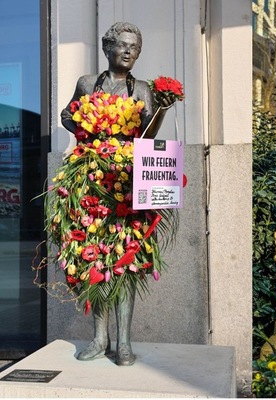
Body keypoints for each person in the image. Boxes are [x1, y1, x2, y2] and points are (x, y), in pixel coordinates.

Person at [54, 22, 172, 366]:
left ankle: (123, 343)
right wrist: (90, 130)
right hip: (90, 180)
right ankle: (99, 338)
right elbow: (68, 114)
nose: (129, 52)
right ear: (107, 48)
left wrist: (162, 108)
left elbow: (148, 136)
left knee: (126, 261)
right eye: (122, 46)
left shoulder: (144, 88)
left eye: (135, 48)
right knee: (94, 258)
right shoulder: (88, 83)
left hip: (127, 180)